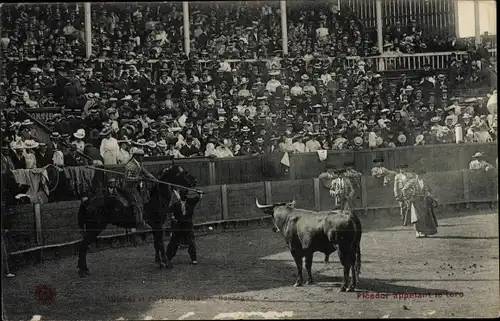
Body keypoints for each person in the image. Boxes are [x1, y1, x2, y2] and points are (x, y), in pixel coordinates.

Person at [166, 188, 203, 266]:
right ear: (180, 194)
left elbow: (199, 197)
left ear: (186, 194)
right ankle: (168, 258)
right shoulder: (176, 204)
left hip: (188, 225)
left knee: (191, 242)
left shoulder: (190, 202)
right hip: (179, 225)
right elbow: (168, 210)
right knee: (174, 242)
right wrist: (172, 216)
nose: (183, 195)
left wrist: (200, 193)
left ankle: (194, 259)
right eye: (181, 194)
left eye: (184, 194)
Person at [122, 148, 154, 232]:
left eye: (142, 156)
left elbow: (145, 172)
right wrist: (138, 178)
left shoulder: (139, 163)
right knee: (137, 203)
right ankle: (139, 223)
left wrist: (153, 178)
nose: (142, 158)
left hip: (133, 187)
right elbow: (126, 178)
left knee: (142, 201)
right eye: (140, 156)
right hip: (128, 188)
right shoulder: (131, 165)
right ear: (135, 156)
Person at [402, 168, 438, 238]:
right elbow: (404, 190)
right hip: (416, 201)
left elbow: (431, 190)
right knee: (417, 217)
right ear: (415, 175)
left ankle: (424, 232)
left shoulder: (425, 181)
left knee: (425, 217)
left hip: (424, 201)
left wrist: (431, 197)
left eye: (421, 174)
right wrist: (409, 198)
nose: (419, 176)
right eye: (418, 174)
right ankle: (418, 232)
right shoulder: (412, 181)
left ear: (423, 175)